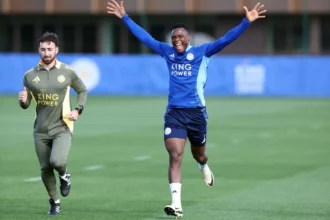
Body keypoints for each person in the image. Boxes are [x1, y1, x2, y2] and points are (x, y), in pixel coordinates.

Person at [107, 0, 266, 217]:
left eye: (180, 37)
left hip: (197, 113)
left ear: (188, 38)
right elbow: (145, 38)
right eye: (173, 38)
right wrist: (125, 17)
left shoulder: (203, 52)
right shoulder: (167, 52)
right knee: (175, 155)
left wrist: (246, 22)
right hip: (174, 113)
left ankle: (203, 166)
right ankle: (176, 205)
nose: (177, 40)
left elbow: (226, 39)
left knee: (199, 155)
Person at [18, 32, 88, 216]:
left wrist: (78, 109)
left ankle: (65, 176)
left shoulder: (67, 71)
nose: (46, 53)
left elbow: (82, 90)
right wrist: (23, 100)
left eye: (50, 49)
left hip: (62, 126)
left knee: (56, 160)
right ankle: (55, 202)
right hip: (40, 129)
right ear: (38, 50)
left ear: (56, 49)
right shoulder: (29, 75)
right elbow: (25, 105)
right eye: (43, 49)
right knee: (45, 168)